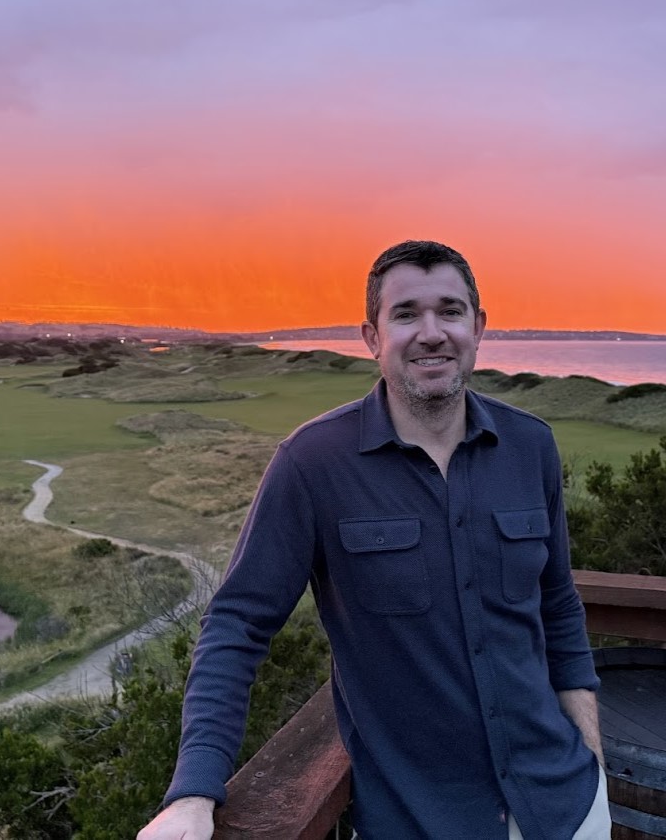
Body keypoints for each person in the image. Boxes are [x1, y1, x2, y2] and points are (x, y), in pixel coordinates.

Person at [137, 240, 610, 840]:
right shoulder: (312, 463)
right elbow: (236, 625)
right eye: (407, 314)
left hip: (565, 806)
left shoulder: (531, 446)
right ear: (371, 336)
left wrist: (591, 759)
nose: (432, 332)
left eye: (451, 311)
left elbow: (558, 606)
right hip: (418, 820)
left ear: (479, 327)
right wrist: (195, 791)